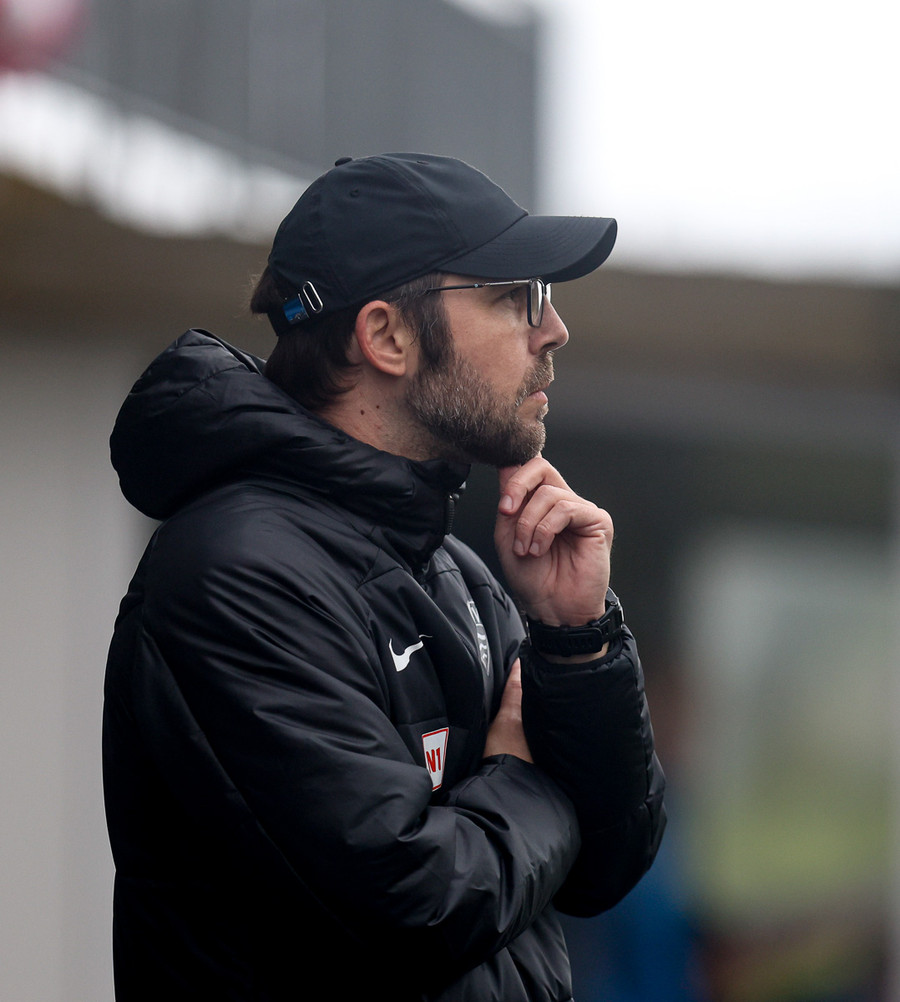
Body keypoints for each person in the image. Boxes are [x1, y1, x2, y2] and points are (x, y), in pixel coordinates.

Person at [103, 152, 666, 1002]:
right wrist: (522, 777)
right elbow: (416, 907)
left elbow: (603, 867)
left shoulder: (457, 574)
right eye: (516, 295)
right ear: (388, 337)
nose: (553, 329)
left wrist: (577, 643)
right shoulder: (234, 575)